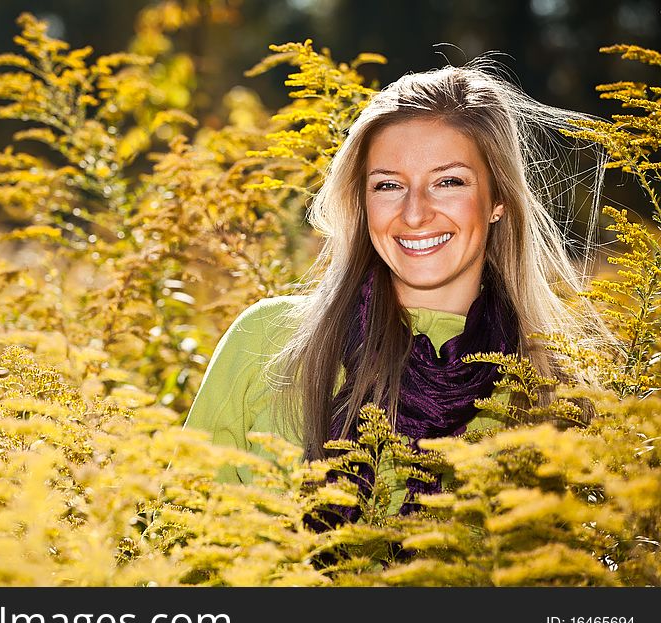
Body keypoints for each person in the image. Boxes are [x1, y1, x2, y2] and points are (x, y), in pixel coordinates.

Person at [183, 62, 619, 521]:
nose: (414, 214)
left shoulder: (548, 390)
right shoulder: (267, 341)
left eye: (448, 182)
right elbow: (174, 540)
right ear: (361, 201)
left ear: (497, 201)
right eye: (388, 185)